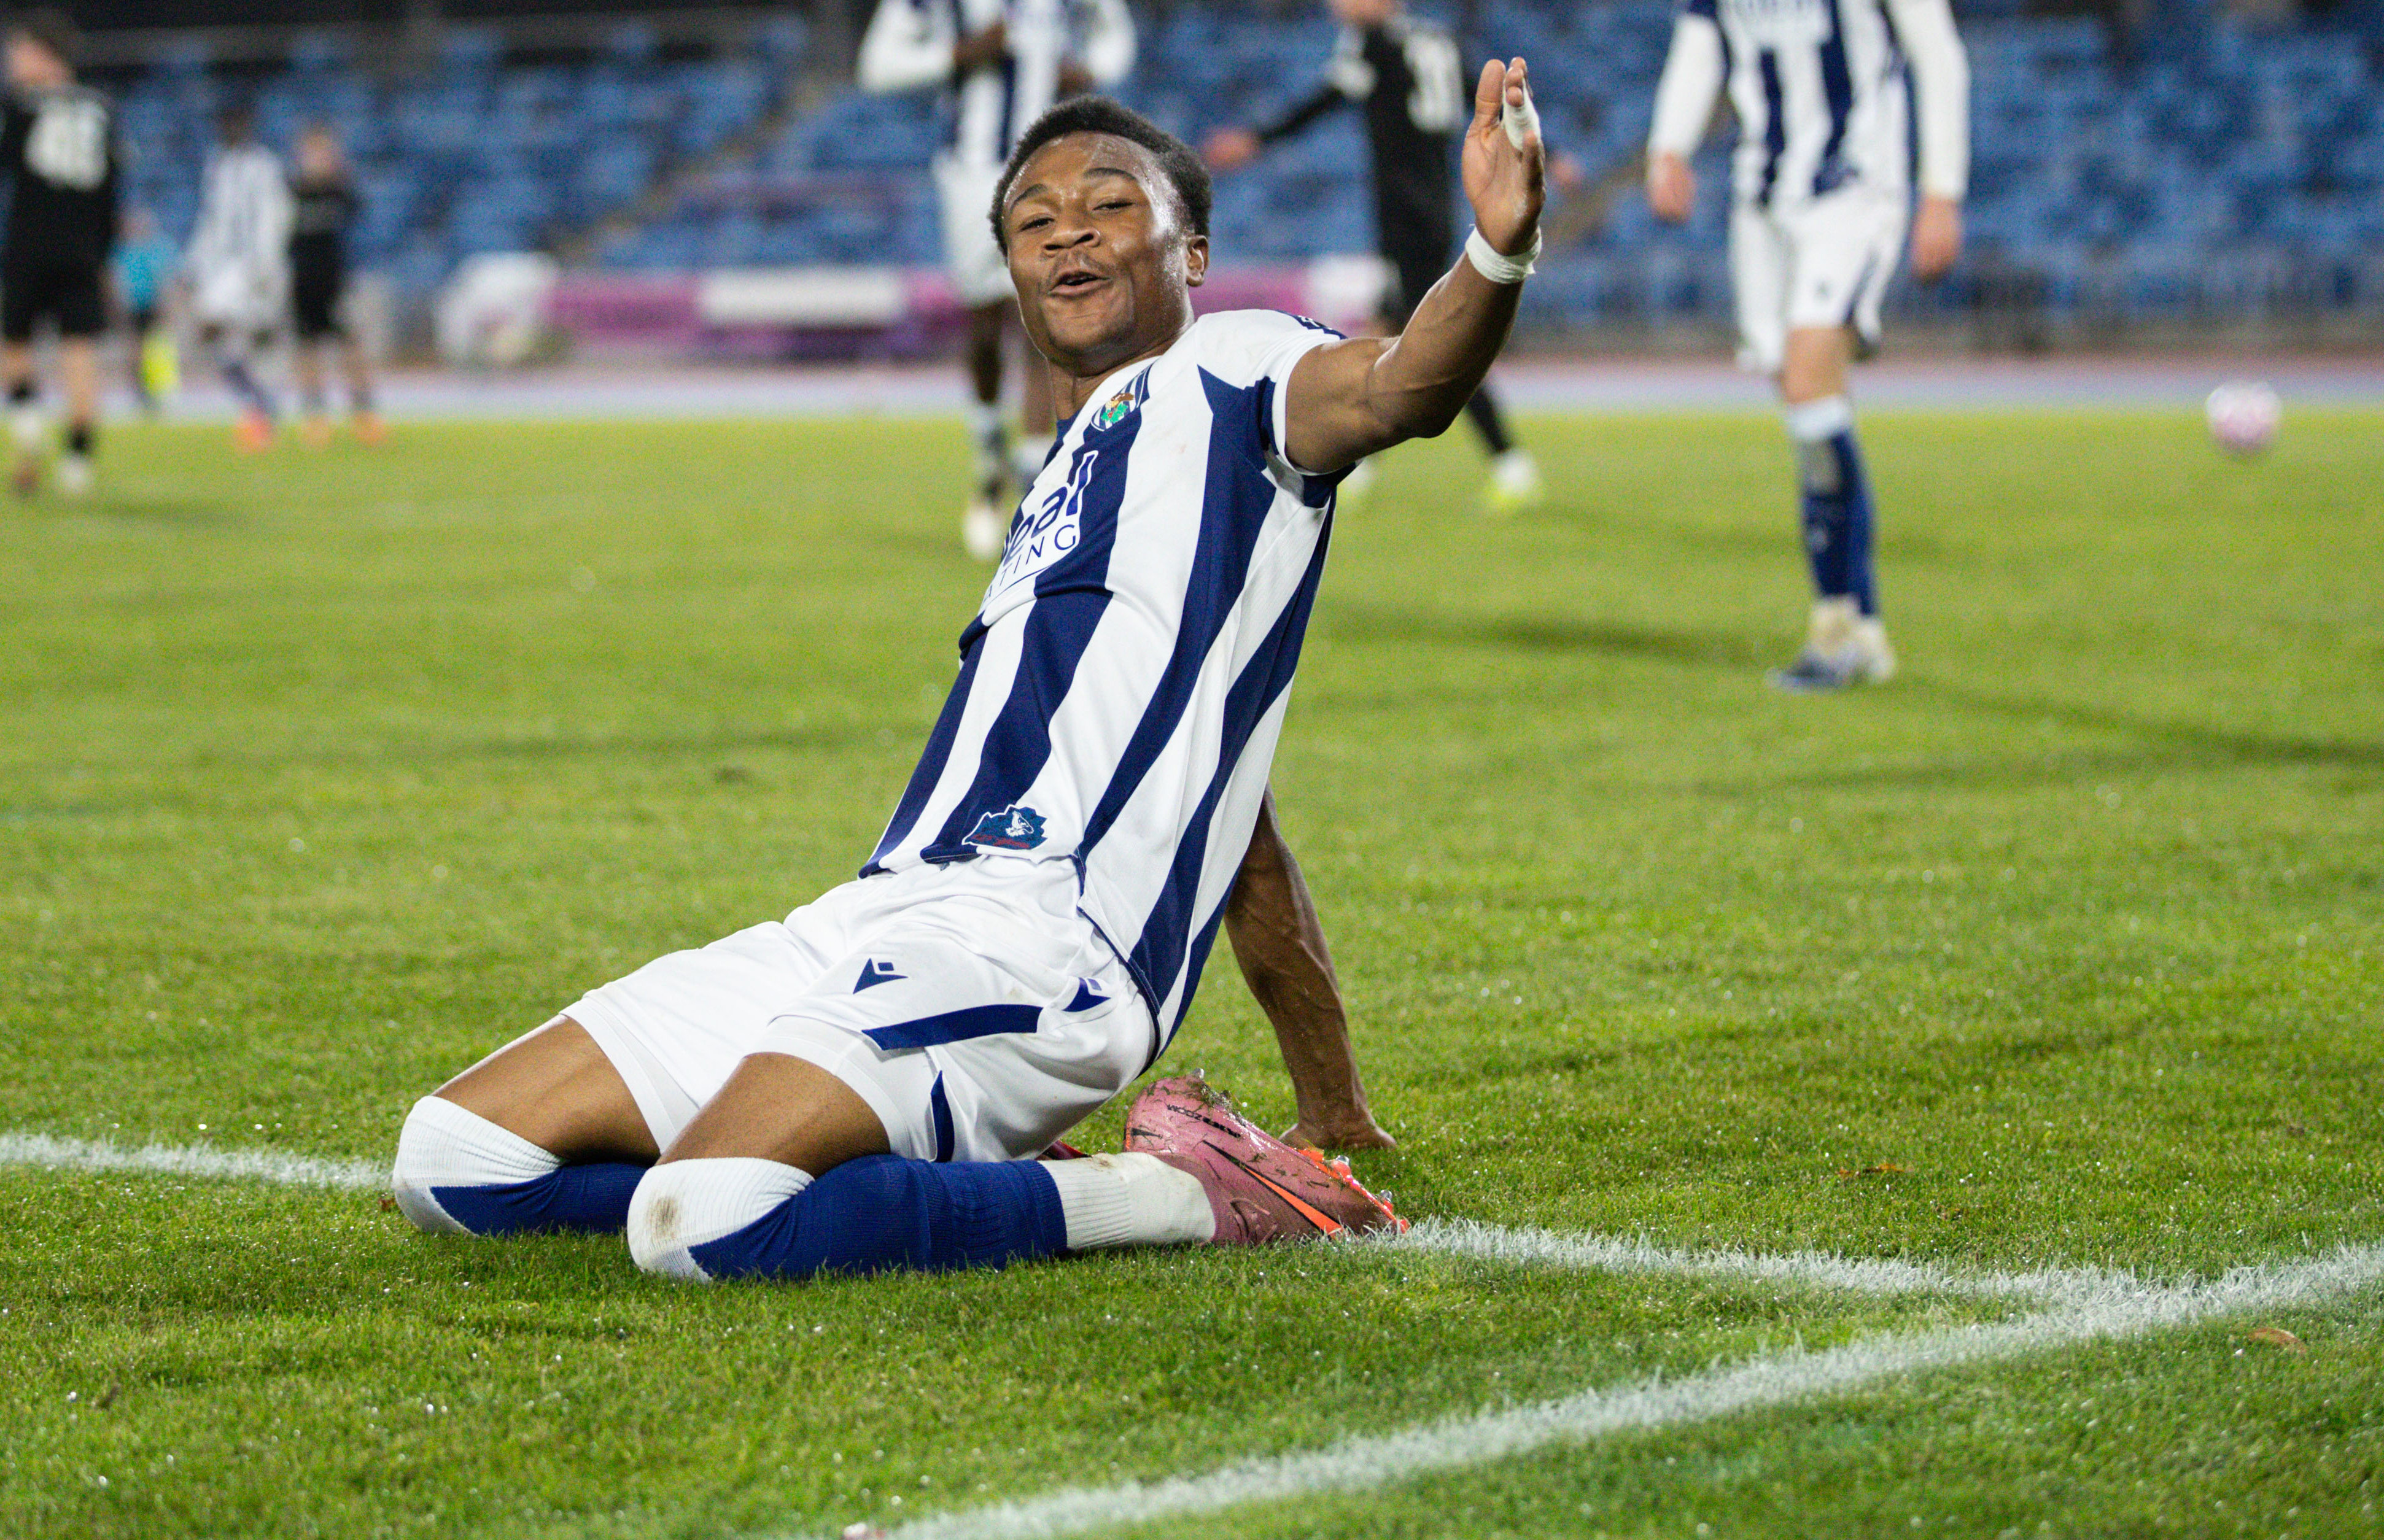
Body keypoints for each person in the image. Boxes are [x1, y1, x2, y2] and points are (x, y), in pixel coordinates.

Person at [391, 64, 1551, 1282]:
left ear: (1192, 251)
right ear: (1010, 271)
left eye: (1109, 204)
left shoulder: (1235, 374)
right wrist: (1333, 1102)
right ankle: (932, 1168)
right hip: (876, 910)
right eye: (1033, 219)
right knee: (455, 1157)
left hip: (1045, 941)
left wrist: (1494, 250)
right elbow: (1234, 824)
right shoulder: (1058, 484)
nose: (1068, 231)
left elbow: (1403, 381)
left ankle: (1175, 1194)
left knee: (710, 1219)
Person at [1643, 0, 1970, 691]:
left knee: (1806, 375)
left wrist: (1939, 192)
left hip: (1853, 186)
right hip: (1762, 197)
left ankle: (1844, 625)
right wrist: (1668, 143)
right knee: (1804, 399)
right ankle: (1851, 623)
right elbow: (1700, 43)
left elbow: (1934, 47)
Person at [1205, 0, 1554, 512]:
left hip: (1405, 212)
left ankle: (1511, 463)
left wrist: (1256, 140)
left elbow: (1323, 100)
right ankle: (1358, 461)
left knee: (1441, 342)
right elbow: (1485, 95)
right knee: (1383, 331)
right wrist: (1553, 151)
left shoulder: (1372, 43)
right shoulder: (1434, 37)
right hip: (1434, 203)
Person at [857, 0, 1135, 559]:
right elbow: (878, 63)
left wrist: (1092, 69)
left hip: (1059, 165)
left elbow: (1117, 36)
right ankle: (989, 458)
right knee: (985, 323)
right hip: (974, 168)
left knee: (1048, 312)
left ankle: (1037, 481)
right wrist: (954, 55)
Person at [0, 12, 121, 497]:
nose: (11, 62)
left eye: (18, 52)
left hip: (29, 245)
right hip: (83, 250)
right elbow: (111, 195)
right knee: (80, 354)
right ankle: (78, 465)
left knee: (14, 346)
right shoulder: (102, 108)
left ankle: (28, 447)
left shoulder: (17, 107)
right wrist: (105, 256)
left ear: (44, 55)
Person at [185, 103, 291, 451]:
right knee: (225, 340)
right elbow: (210, 219)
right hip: (220, 266)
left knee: (219, 325)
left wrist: (266, 263)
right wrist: (195, 264)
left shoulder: (264, 165)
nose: (230, 130)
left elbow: (274, 215)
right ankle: (260, 407)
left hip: (250, 265)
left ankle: (260, 407)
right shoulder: (216, 165)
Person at [285, 122, 381, 446]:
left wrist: (341, 175)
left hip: (336, 279)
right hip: (302, 279)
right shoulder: (290, 189)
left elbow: (360, 212)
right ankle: (315, 417)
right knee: (307, 348)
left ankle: (365, 415)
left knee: (350, 345)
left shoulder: (340, 189)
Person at [112, 208, 180, 414]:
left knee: (157, 349)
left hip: (154, 307)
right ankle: (141, 392)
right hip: (133, 307)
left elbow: (167, 278)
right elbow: (117, 279)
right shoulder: (124, 249)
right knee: (135, 350)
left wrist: (167, 305)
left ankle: (160, 390)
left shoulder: (159, 247)